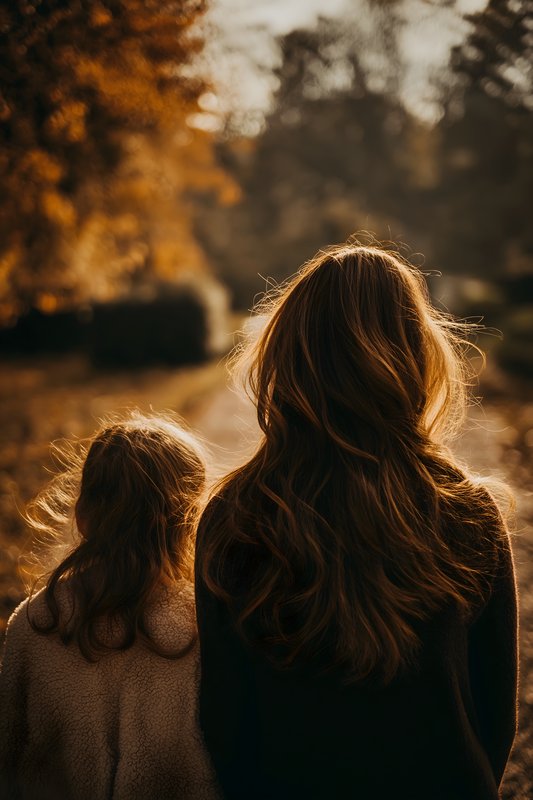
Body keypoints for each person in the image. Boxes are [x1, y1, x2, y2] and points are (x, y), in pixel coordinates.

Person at [195, 244, 519, 800]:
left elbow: (223, 722)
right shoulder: (467, 510)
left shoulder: (233, 516)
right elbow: (495, 717)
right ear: (416, 355)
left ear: (287, 355)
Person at [0, 412, 220, 800]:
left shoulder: (34, 623)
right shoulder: (201, 626)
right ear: (189, 524)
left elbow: (8, 753)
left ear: (82, 515)